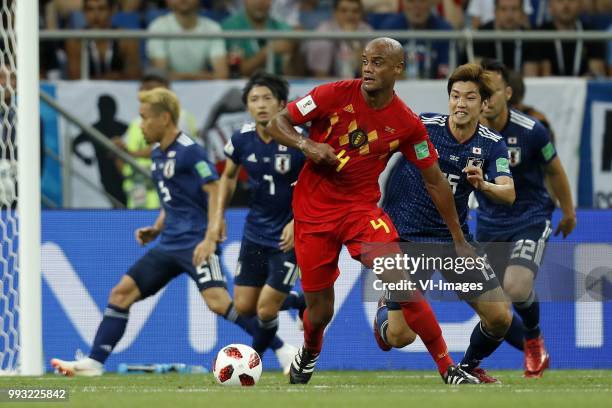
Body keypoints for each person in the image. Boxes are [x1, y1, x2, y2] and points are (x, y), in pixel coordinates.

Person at [266, 37, 479, 385]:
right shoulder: (331, 94)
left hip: (360, 212)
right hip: (312, 213)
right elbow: (277, 122)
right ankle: (309, 351)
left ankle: (447, 368)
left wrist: (457, 236)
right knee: (319, 312)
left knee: (402, 283)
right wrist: (307, 144)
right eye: (365, 60)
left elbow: (436, 181)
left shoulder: (407, 123)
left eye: (378, 62)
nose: (368, 68)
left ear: (398, 69)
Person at [50, 88, 294, 376]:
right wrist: (156, 228)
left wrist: (210, 236)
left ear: (164, 118)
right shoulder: (158, 153)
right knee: (120, 294)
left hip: (195, 244)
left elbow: (214, 188)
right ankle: (93, 363)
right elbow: (174, 198)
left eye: (144, 118)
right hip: (168, 244)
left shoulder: (190, 151)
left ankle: (283, 348)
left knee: (220, 303)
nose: (140, 125)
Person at [373, 63, 516, 384]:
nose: (460, 103)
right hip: (406, 238)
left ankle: (468, 366)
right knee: (400, 338)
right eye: (454, 96)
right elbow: (376, 151)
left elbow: (508, 193)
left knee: (500, 318)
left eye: (469, 97)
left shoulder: (492, 144)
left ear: (485, 104)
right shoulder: (422, 126)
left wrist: (485, 186)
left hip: (455, 242)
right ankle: (385, 312)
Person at [477, 60, 576, 378]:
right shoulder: (468, 131)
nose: (485, 99)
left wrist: (569, 210)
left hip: (530, 216)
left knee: (517, 286)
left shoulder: (532, 130)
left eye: (490, 91)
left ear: (507, 92)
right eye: (480, 92)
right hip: (489, 223)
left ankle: (532, 336)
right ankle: (533, 347)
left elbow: (555, 171)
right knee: (494, 313)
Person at [210, 72, 306, 370]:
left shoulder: (299, 139)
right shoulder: (241, 139)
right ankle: (299, 301)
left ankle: (251, 363)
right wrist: (217, 218)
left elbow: (317, 185)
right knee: (244, 306)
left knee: (265, 310)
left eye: (267, 99)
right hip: (255, 232)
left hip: (290, 235)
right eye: (254, 100)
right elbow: (226, 177)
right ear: (247, 107)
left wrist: (297, 220)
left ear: (281, 104)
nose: (261, 105)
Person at [118, 68, 198, 209]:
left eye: (153, 88)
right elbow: (122, 157)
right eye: (145, 87)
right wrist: (119, 152)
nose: (148, 92)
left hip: (171, 198)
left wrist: (131, 153)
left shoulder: (179, 116)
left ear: (167, 90)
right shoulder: (136, 123)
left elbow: (171, 147)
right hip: (138, 200)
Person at [146, 0, 228, 80]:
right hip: (168, 90)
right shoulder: (157, 27)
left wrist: (181, 77)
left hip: (202, 89)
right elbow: (160, 76)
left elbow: (222, 75)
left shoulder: (213, 28)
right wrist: (202, 76)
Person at [523, 0, 606, 77]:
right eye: (560, 0)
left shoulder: (592, 35)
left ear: (580, 4)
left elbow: (597, 76)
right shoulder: (538, 35)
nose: (566, 5)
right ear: (550, 6)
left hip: (583, 91)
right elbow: (531, 77)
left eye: (571, 0)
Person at [72, 94, 128, 207]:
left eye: (110, 107)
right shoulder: (94, 129)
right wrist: (84, 158)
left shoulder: (122, 127)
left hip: (122, 171)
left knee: (124, 201)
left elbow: (136, 142)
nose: (107, 111)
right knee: (116, 202)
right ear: (99, 109)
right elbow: (74, 144)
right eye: (104, 107)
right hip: (105, 173)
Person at [375, 0, 454, 79]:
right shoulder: (389, 30)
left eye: (422, 1)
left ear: (430, 3)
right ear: (403, 3)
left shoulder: (444, 31)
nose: (417, 7)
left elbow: (448, 71)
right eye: (411, 1)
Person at [65, 0, 141, 79]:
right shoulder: (75, 40)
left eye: (101, 9)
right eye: (90, 9)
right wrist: (111, 77)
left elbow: (134, 75)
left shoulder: (126, 39)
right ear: (84, 12)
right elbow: (74, 78)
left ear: (112, 11)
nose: (95, 15)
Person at [221, 0, 296, 77]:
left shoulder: (283, 28)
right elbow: (236, 73)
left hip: (276, 84)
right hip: (242, 86)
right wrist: (266, 52)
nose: (260, 2)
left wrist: (294, 53)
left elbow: (292, 74)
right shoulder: (229, 28)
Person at [303, 0, 372, 79]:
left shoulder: (367, 31)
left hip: (358, 83)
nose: (349, 15)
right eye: (343, 10)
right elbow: (319, 74)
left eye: (355, 11)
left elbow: (367, 73)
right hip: (329, 83)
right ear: (334, 13)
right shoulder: (323, 32)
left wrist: (353, 41)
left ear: (361, 14)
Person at [473, 0, 532, 73]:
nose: (509, 14)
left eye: (514, 9)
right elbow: (478, 74)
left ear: (522, 12)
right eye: (503, 9)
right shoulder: (483, 34)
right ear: (495, 11)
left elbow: (530, 77)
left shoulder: (529, 36)